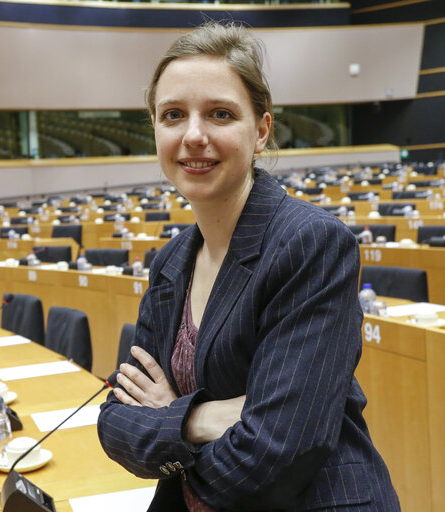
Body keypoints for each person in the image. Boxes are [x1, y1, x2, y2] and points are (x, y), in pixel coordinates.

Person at [97, 22, 399, 511]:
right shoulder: (172, 262)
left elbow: (277, 450)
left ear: (260, 131)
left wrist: (169, 418)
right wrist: (199, 419)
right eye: (173, 115)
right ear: (155, 127)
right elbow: (115, 423)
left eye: (220, 114)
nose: (194, 135)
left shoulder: (309, 243)